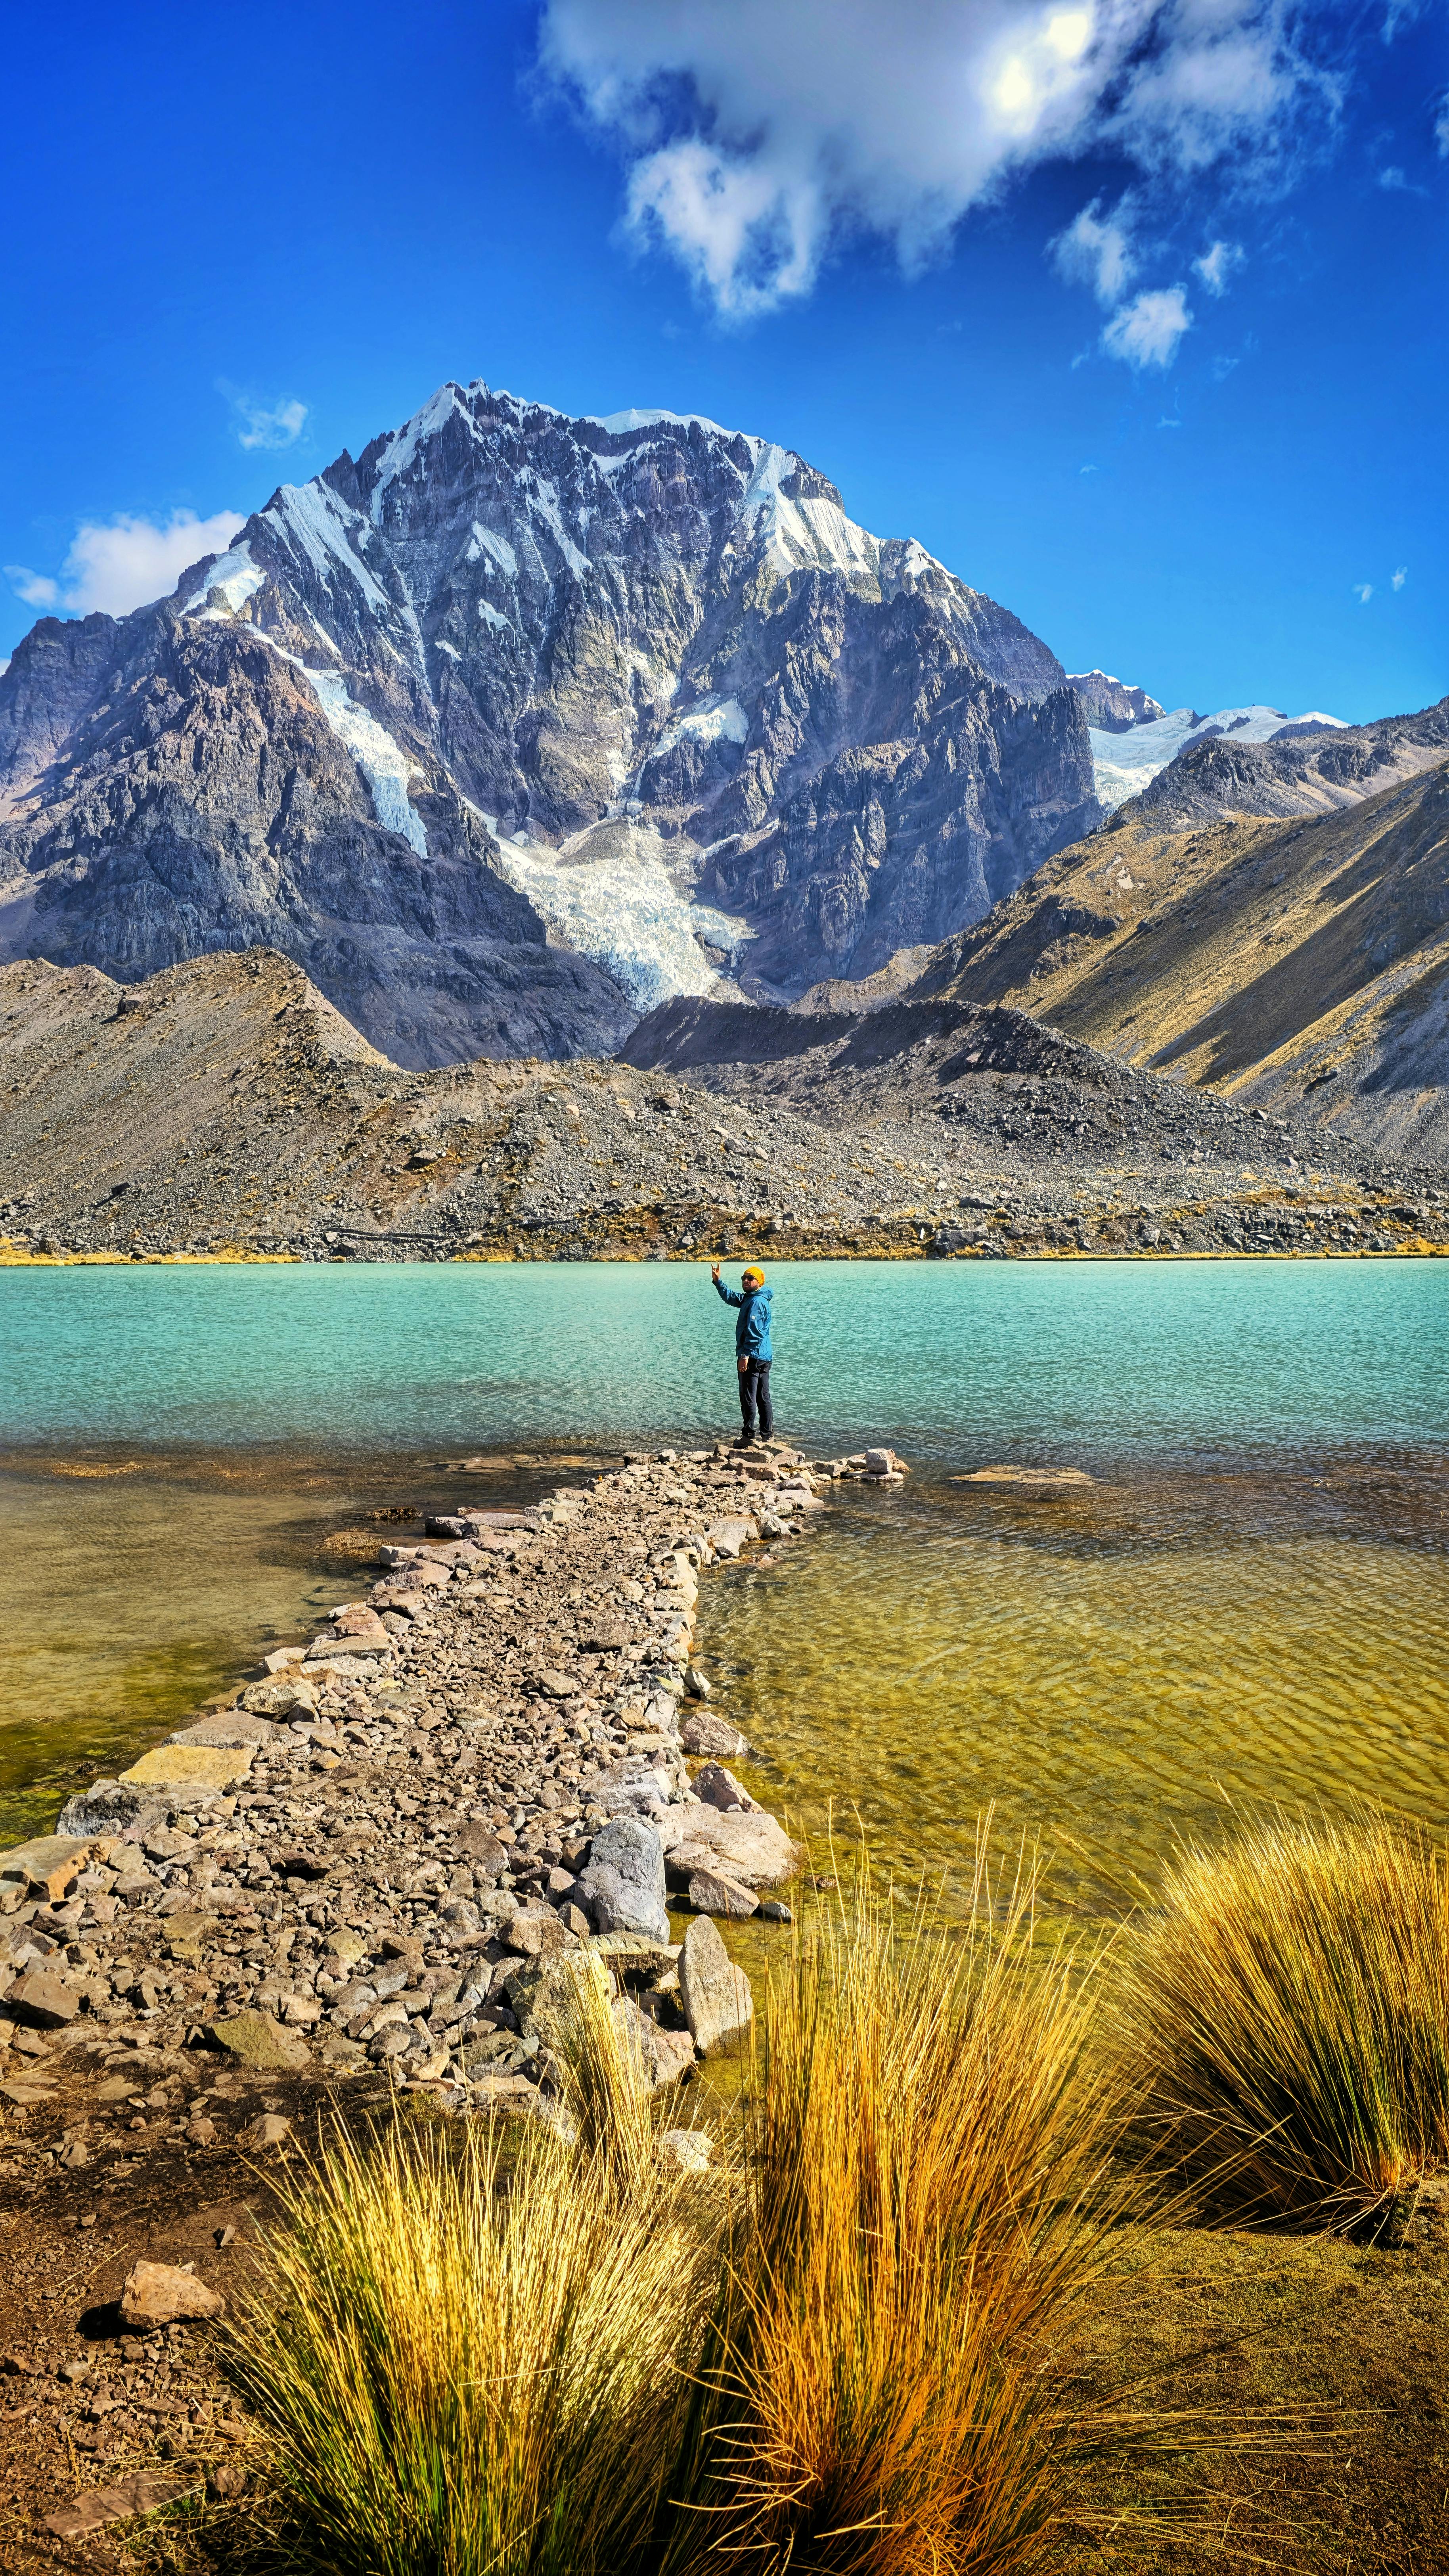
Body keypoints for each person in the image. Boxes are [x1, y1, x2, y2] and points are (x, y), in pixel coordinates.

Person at [710, 1260, 774, 1447]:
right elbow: (732, 1298)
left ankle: (748, 1436)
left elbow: (755, 1332)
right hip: (764, 1356)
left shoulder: (756, 1302)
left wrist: (745, 1355)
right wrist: (718, 1282)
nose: (746, 1281)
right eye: (744, 1278)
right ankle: (768, 1436)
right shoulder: (752, 1298)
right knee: (763, 1397)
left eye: (750, 1278)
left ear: (759, 1282)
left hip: (753, 1357)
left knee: (748, 1397)